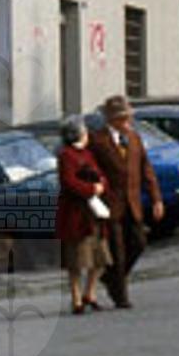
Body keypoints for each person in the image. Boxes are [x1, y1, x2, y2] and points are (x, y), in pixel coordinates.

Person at [86, 97, 164, 310]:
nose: (128, 121)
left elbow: (146, 170)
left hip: (133, 202)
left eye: (129, 117)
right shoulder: (98, 141)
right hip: (110, 204)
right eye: (124, 118)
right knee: (117, 251)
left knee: (139, 243)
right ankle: (120, 296)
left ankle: (111, 278)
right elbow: (89, 170)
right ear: (113, 119)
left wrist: (156, 199)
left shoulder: (134, 138)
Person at [55, 118, 109, 314]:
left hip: (92, 213)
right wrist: (90, 189)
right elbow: (68, 181)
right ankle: (76, 298)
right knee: (76, 259)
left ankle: (90, 293)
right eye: (84, 131)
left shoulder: (88, 153)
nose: (87, 135)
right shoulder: (66, 155)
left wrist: (101, 185)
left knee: (100, 256)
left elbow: (101, 175)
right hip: (75, 213)